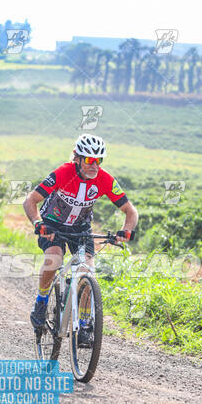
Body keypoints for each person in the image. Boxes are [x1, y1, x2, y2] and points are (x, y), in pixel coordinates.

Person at [23, 134, 138, 339]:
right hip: (52, 225)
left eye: (98, 160)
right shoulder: (62, 173)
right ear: (77, 158)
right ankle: (41, 302)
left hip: (81, 229)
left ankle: (84, 323)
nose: (94, 165)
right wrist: (38, 223)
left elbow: (131, 211)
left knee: (87, 271)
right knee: (54, 258)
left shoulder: (105, 179)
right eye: (89, 160)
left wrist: (126, 230)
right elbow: (30, 201)